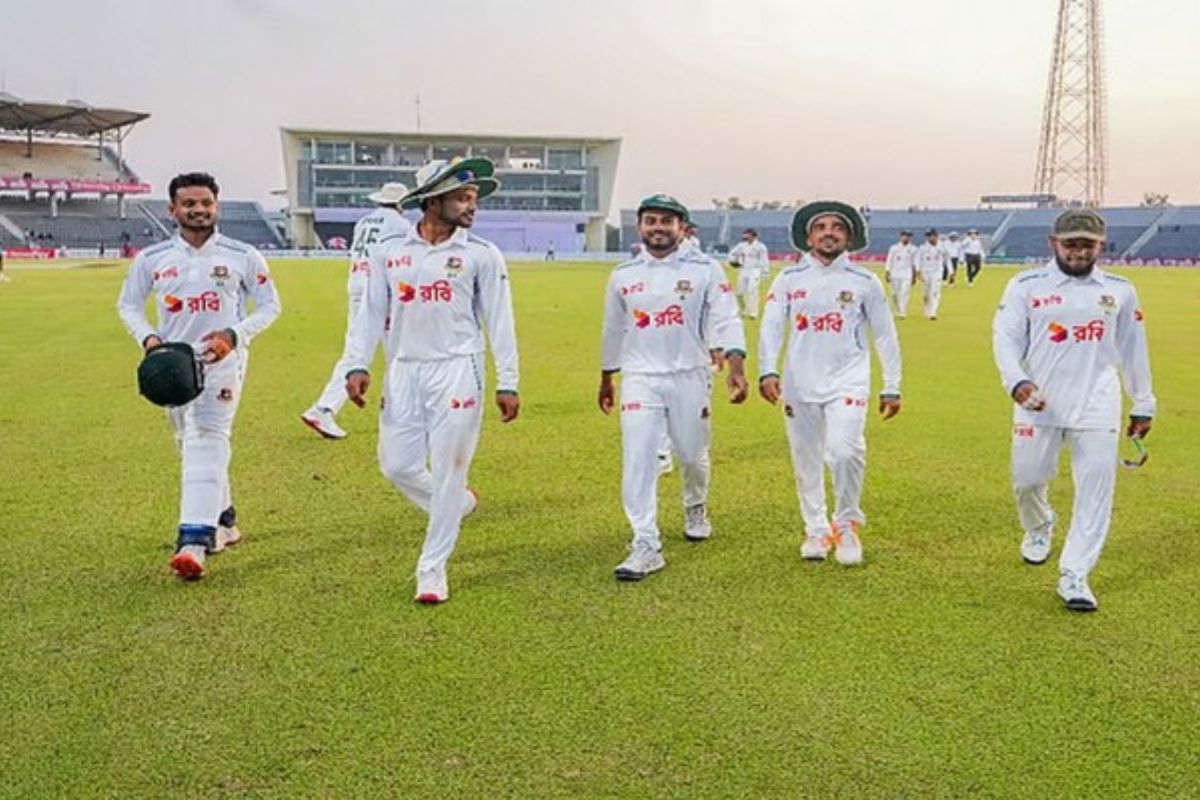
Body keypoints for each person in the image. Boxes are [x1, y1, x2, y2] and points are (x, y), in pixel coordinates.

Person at [343, 158, 519, 605]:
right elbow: (370, 313)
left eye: (474, 198)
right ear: (431, 201)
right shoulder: (390, 252)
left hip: (459, 368)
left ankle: (432, 567)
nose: (471, 206)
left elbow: (500, 321)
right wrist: (357, 364)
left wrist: (509, 381)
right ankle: (455, 504)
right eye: (462, 198)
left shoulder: (480, 254)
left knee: (448, 469)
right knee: (396, 465)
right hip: (403, 368)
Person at [117, 172, 282, 580]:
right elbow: (129, 306)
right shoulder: (152, 259)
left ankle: (194, 539)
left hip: (222, 364)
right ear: (173, 209)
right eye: (189, 203)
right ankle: (225, 520)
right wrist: (149, 339)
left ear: (217, 206)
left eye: (206, 202)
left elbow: (269, 306)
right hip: (171, 368)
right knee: (185, 443)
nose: (199, 209)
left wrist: (234, 334)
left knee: (207, 438)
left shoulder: (242, 255)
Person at [992, 209, 1155, 612]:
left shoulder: (1120, 290)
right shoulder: (1025, 285)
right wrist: (1017, 382)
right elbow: (1005, 338)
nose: (1080, 251)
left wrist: (1143, 402)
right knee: (1027, 480)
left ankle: (1076, 574)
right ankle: (1039, 525)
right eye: (1071, 243)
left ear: (1101, 244)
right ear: (1054, 243)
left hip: (1098, 403)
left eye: (1088, 243)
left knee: (1096, 492)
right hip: (1038, 401)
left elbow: (1134, 349)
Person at [599, 194, 748, 581]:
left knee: (692, 454)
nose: (658, 228)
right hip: (640, 378)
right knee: (639, 459)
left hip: (690, 374)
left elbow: (726, 316)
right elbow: (614, 329)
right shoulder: (624, 274)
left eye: (667, 221)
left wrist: (735, 364)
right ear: (640, 227)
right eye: (651, 221)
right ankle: (645, 543)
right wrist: (606, 375)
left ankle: (695, 506)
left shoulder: (705, 269)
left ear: (682, 228)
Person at [759, 202, 902, 565]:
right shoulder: (788, 279)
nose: (828, 232)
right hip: (799, 381)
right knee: (806, 457)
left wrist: (892, 385)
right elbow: (772, 326)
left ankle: (847, 524)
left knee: (844, 451)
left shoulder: (864, 281)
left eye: (836, 227)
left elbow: (885, 335)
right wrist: (767, 370)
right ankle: (816, 529)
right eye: (820, 227)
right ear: (808, 237)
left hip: (848, 380)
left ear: (849, 237)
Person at [301, 183, 411, 439]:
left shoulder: (363, 223)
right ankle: (328, 408)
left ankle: (326, 408)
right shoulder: (401, 226)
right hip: (381, 289)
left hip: (357, 285)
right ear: (401, 203)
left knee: (357, 349)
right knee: (398, 351)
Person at [729, 228, 770, 319]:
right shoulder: (741, 246)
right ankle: (744, 310)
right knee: (739, 292)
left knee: (752, 290)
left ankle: (753, 313)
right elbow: (732, 254)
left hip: (755, 270)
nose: (746, 237)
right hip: (743, 269)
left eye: (748, 235)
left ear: (753, 236)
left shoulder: (760, 246)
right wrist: (734, 261)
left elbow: (764, 260)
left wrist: (765, 272)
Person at [915, 228, 947, 320]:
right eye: (928, 236)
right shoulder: (923, 248)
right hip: (925, 271)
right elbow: (917, 260)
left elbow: (947, 258)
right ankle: (927, 309)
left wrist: (951, 271)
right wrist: (918, 271)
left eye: (931, 236)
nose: (929, 238)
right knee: (926, 293)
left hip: (937, 271)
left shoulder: (942, 247)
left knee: (935, 291)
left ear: (936, 236)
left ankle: (933, 312)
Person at [884, 230, 917, 318]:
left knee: (904, 293)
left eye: (909, 236)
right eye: (905, 236)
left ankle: (903, 312)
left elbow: (914, 263)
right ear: (901, 236)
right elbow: (889, 260)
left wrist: (914, 276)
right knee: (894, 294)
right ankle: (897, 310)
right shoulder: (894, 248)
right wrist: (887, 272)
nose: (907, 238)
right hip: (895, 273)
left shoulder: (913, 249)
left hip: (907, 274)